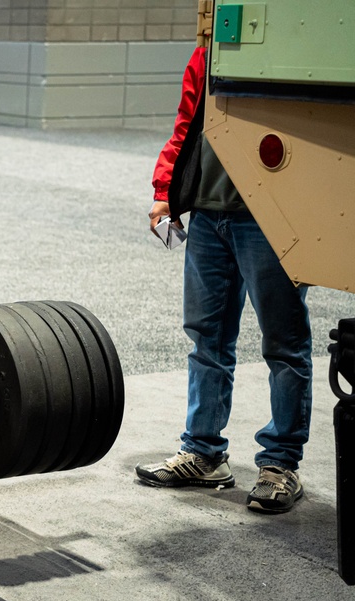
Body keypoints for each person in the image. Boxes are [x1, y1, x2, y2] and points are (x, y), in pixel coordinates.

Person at [134, 46, 313, 514]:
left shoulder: (297, 45)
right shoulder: (209, 52)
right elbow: (187, 125)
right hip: (211, 212)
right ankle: (203, 452)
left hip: (273, 219)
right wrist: (165, 190)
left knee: (284, 344)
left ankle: (280, 464)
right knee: (207, 339)